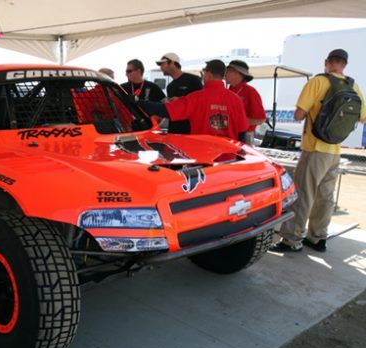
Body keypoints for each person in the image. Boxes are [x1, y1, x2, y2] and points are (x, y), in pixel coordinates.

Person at [271, 49, 366, 253]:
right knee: (326, 196)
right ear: (344, 65)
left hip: (314, 149)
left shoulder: (317, 82)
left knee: (303, 194)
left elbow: (298, 115)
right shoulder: (353, 86)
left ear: (326, 62)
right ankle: (318, 237)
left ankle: (292, 239)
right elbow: (362, 117)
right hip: (335, 151)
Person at [139, 60, 249, 141]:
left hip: (203, 156)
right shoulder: (236, 99)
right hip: (229, 158)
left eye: (204, 73)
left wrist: (139, 102)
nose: (203, 76)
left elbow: (166, 110)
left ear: (209, 75)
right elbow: (241, 131)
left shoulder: (197, 97)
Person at [156, 52, 203, 134]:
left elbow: (202, 103)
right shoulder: (170, 86)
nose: (161, 67)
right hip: (174, 129)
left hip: (190, 129)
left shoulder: (193, 80)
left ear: (172, 63)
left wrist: (181, 101)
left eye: (162, 64)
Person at [225, 60, 267, 145]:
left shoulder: (250, 91)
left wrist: (239, 121)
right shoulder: (228, 91)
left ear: (237, 73)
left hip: (245, 135)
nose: (225, 74)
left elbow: (261, 119)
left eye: (228, 72)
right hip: (228, 134)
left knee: (242, 158)